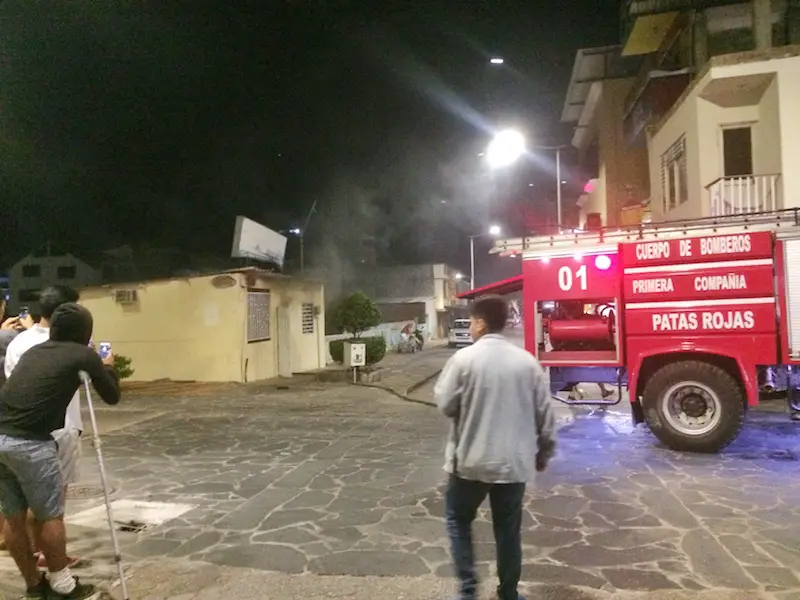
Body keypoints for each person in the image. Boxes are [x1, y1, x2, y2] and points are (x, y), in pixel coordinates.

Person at [435, 294, 557, 600]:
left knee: (458, 518)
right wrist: (543, 452)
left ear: (479, 323)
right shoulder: (527, 362)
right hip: (513, 464)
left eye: (473, 321)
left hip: (470, 462)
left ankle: (468, 589)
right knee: (507, 529)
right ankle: (508, 593)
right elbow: (545, 415)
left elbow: (446, 404)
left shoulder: (464, 360)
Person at [0, 302, 120, 599]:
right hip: (31, 443)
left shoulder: (34, 352)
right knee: (49, 515)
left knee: (13, 516)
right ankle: (63, 586)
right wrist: (108, 366)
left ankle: (34, 585)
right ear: (85, 332)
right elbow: (112, 396)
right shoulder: (83, 354)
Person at [4, 286, 84, 569]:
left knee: (20, 505)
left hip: (16, 429)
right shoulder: (72, 344)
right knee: (53, 505)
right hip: (60, 428)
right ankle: (56, 564)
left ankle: (36, 558)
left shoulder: (17, 342)